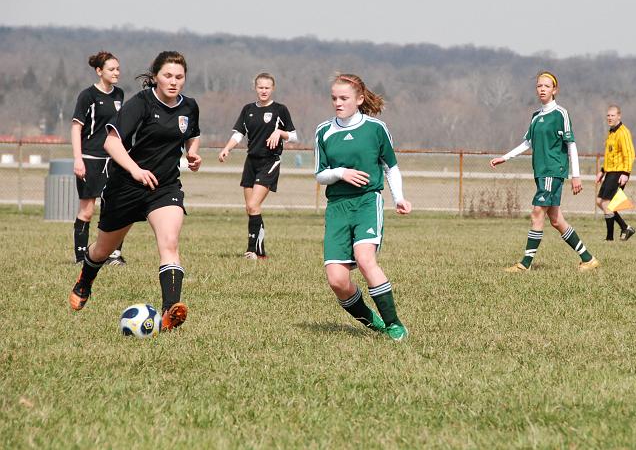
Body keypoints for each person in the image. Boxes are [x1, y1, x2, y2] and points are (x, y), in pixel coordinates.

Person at [68, 51, 201, 331]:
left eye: (179, 77)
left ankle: (169, 314)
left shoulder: (189, 106)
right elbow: (111, 143)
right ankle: (85, 280)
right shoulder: (140, 104)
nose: (173, 81)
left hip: (164, 187)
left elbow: (192, 134)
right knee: (103, 249)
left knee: (170, 243)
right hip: (126, 187)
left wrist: (193, 154)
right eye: (167, 75)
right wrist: (135, 170)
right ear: (155, 76)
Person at [314, 73, 411, 341]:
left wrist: (399, 197)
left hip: (368, 201)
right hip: (337, 206)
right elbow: (320, 174)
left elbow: (391, 167)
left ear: (359, 99)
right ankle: (372, 322)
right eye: (334, 98)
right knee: (337, 281)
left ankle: (393, 324)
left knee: (365, 259)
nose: (337, 102)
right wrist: (340, 173)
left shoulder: (376, 129)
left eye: (344, 98)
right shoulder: (324, 131)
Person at [490, 71, 600, 272]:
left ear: (555, 90)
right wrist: (505, 157)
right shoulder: (536, 116)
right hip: (541, 173)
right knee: (557, 220)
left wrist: (576, 175)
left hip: (553, 171)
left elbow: (571, 145)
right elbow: (527, 143)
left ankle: (525, 264)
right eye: (539, 86)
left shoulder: (560, 114)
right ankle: (588, 259)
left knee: (536, 213)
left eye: (546, 86)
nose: (542, 89)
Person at [218, 73, 297, 259]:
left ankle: (251, 250)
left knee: (254, 205)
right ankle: (259, 252)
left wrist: (280, 133)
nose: (263, 90)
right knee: (250, 208)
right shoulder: (248, 110)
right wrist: (226, 149)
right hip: (251, 162)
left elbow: (294, 136)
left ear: (273, 88)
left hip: (270, 161)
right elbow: (238, 134)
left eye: (267, 87)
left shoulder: (280, 110)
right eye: (260, 87)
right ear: (255, 88)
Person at [70, 51, 127, 265]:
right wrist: (78, 159)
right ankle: (81, 256)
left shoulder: (119, 95)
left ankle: (114, 255)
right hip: (90, 158)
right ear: (99, 71)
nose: (116, 73)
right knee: (87, 209)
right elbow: (76, 127)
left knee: (116, 206)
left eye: (118, 69)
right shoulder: (88, 96)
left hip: (113, 159)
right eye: (111, 69)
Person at [595, 105, 636, 241]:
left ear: (619, 116)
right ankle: (625, 228)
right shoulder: (611, 132)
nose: (610, 118)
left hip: (619, 172)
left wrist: (626, 173)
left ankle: (609, 238)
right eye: (608, 115)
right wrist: (602, 171)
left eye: (612, 115)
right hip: (610, 172)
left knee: (607, 203)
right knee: (600, 201)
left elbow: (629, 154)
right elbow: (610, 155)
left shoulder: (623, 132)